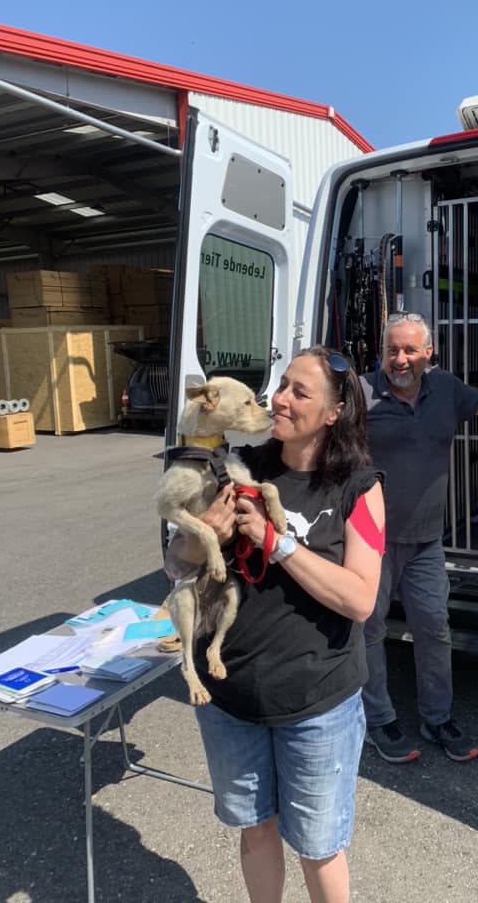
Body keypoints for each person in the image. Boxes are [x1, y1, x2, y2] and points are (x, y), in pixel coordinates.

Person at [164, 345, 385, 903]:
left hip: (316, 704)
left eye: (299, 392)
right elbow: (176, 564)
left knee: (319, 847)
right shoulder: (236, 466)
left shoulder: (359, 486)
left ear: (334, 412)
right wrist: (202, 538)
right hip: (231, 696)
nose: (279, 399)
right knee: (256, 831)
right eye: (282, 384)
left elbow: (360, 599)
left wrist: (276, 541)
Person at [360, 311, 478, 764]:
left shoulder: (445, 388)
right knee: (368, 630)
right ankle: (377, 720)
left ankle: (437, 718)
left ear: (428, 352)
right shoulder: (361, 392)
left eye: (410, 350)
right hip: (372, 539)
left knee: (433, 628)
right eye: (392, 350)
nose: (400, 359)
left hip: (426, 540)